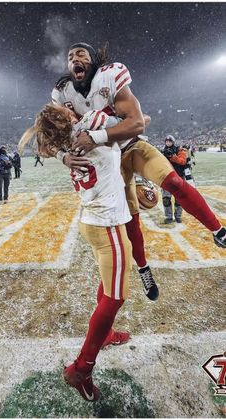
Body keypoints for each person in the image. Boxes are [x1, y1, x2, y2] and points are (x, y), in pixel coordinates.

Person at [51, 42, 226, 281]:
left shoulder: (109, 76)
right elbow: (46, 136)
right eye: (70, 56)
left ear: (93, 60)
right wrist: (64, 156)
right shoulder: (62, 94)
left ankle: (218, 230)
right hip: (107, 164)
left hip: (132, 146)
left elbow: (139, 123)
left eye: (81, 54)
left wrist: (96, 135)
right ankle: (144, 269)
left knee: (173, 182)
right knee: (130, 216)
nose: (74, 59)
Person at [19, 104, 133, 402]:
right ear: (69, 118)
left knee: (109, 285)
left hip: (93, 221)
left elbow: (44, 145)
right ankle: (81, 368)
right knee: (115, 297)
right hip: (106, 223)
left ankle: (105, 334)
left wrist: (62, 155)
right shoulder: (92, 122)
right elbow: (139, 122)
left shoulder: (65, 141)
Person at [162, 135, 187, 223]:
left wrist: (173, 157)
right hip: (166, 178)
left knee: (179, 199)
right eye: (166, 141)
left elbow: (183, 161)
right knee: (166, 199)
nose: (168, 143)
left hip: (178, 177)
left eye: (170, 141)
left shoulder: (179, 150)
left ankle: (178, 216)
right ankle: (168, 217)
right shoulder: (162, 152)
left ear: (173, 142)